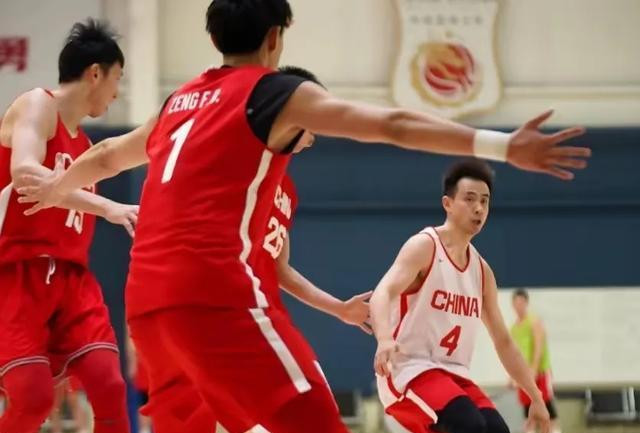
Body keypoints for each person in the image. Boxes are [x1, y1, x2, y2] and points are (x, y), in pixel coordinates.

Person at [16, 1, 589, 431]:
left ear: (213, 37)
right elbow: (391, 125)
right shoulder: (273, 93)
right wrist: (502, 146)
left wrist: (54, 186)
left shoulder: (179, 101)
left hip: (147, 304)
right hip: (217, 295)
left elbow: (107, 155)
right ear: (275, 38)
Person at [0, 19, 135, 433]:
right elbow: (25, 172)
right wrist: (108, 206)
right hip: (18, 273)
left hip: (72, 280)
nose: (116, 93)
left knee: (110, 386)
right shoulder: (37, 105)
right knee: (33, 398)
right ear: (96, 72)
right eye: (117, 79)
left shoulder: (86, 147)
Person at [370, 159, 552, 433]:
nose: (479, 208)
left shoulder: (482, 272)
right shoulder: (425, 246)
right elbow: (382, 293)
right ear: (448, 203)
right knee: (468, 425)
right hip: (409, 370)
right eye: (469, 199)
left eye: (484, 201)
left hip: (455, 375)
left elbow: (503, 341)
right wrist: (384, 338)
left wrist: (536, 396)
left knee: (496, 430)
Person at [511, 289, 561, 433]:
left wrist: (533, 369)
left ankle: (555, 430)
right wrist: (512, 376)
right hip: (524, 376)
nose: (518, 306)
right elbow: (514, 354)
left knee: (546, 404)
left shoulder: (534, 322)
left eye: (521, 302)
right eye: (516, 303)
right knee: (527, 408)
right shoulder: (514, 328)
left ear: (526, 303)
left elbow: (539, 347)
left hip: (540, 372)